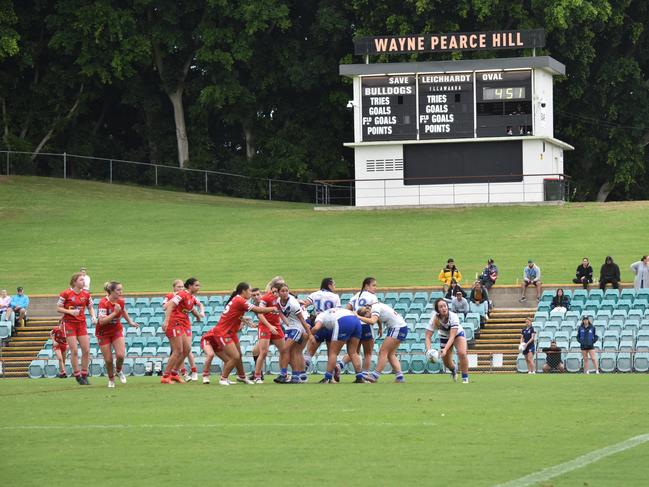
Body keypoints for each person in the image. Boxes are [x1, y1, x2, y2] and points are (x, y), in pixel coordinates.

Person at [209, 282, 277, 386]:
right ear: (243, 291)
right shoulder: (240, 300)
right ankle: (223, 378)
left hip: (230, 332)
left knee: (239, 355)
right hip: (223, 332)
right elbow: (257, 309)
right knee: (235, 357)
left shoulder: (237, 299)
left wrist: (245, 321)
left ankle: (242, 376)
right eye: (249, 291)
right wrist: (272, 308)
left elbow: (234, 314)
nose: (251, 293)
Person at [96, 281, 139, 388]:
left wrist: (130, 322)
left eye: (121, 289)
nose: (121, 292)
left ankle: (118, 371)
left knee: (120, 355)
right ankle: (111, 378)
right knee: (108, 359)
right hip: (103, 333)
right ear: (111, 291)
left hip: (116, 331)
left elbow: (123, 311)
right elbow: (101, 321)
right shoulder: (103, 303)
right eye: (118, 290)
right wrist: (115, 313)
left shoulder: (121, 301)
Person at [56, 273, 97, 385]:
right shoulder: (66, 293)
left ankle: (84, 374)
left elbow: (90, 307)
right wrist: (69, 312)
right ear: (74, 282)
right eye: (81, 280)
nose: (83, 282)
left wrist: (93, 316)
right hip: (69, 324)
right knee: (74, 350)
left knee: (86, 350)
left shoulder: (86, 294)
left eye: (84, 280)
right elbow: (58, 308)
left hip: (81, 324)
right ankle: (77, 375)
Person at [160, 277, 203, 384]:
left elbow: (191, 308)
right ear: (190, 286)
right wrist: (166, 321)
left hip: (183, 324)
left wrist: (198, 316)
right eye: (196, 285)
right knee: (177, 351)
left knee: (187, 349)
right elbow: (170, 306)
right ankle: (165, 376)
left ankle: (174, 374)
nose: (199, 287)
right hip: (174, 323)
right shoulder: (182, 294)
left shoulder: (190, 296)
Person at [310, 307, 367, 384]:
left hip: (343, 321)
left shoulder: (320, 316)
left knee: (333, 352)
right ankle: (360, 377)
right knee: (353, 352)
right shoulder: (331, 311)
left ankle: (328, 378)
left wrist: (310, 335)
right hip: (356, 321)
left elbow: (316, 328)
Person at [339, 277, 380, 378]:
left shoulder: (357, 295)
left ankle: (339, 365)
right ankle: (365, 375)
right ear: (366, 286)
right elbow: (375, 313)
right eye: (373, 285)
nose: (375, 288)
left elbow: (347, 308)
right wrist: (380, 326)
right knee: (368, 353)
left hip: (355, 325)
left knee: (353, 351)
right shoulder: (372, 297)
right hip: (366, 325)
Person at [301, 277, 341, 378]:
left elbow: (303, 306)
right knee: (331, 353)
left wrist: (307, 317)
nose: (335, 286)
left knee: (309, 352)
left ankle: (302, 374)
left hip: (318, 324)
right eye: (334, 284)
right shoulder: (335, 297)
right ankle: (329, 376)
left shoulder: (315, 294)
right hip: (331, 326)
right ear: (329, 285)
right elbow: (338, 312)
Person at [358, 303, 408, 383]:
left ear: (367, 312)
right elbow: (377, 319)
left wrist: (358, 317)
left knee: (383, 351)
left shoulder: (374, 309)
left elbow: (372, 321)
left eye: (366, 317)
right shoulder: (375, 307)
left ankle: (375, 376)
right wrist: (380, 328)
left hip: (397, 328)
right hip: (401, 327)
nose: (367, 319)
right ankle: (399, 377)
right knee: (390, 354)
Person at [425, 299, 469, 383]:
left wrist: (445, 349)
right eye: (441, 307)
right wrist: (428, 350)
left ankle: (465, 379)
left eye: (445, 306)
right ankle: (454, 370)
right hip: (444, 336)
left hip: (457, 335)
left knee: (462, 353)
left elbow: (452, 337)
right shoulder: (434, 319)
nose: (444, 308)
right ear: (437, 310)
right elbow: (427, 336)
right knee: (447, 363)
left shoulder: (453, 316)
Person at [250, 285, 287, 384]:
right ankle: (257, 376)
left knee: (284, 350)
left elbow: (280, 313)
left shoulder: (280, 299)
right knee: (263, 352)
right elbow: (260, 314)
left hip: (277, 326)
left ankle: (283, 374)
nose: (275, 293)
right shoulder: (265, 298)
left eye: (277, 291)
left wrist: (288, 324)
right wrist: (270, 326)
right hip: (265, 327)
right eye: (273, 291)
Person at [276, 283, 312, 384]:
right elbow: (280, 312)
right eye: (282, 291)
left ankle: (285, 375)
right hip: (291, 327)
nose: (285, 293)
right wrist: (286, 322)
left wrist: (309, 334)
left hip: (298, 328)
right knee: (294, 352)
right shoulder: (279, 301)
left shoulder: (293, 304)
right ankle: (299, 376)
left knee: (287, 350)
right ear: (279, 293)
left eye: (286, 291)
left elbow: (302, 319)